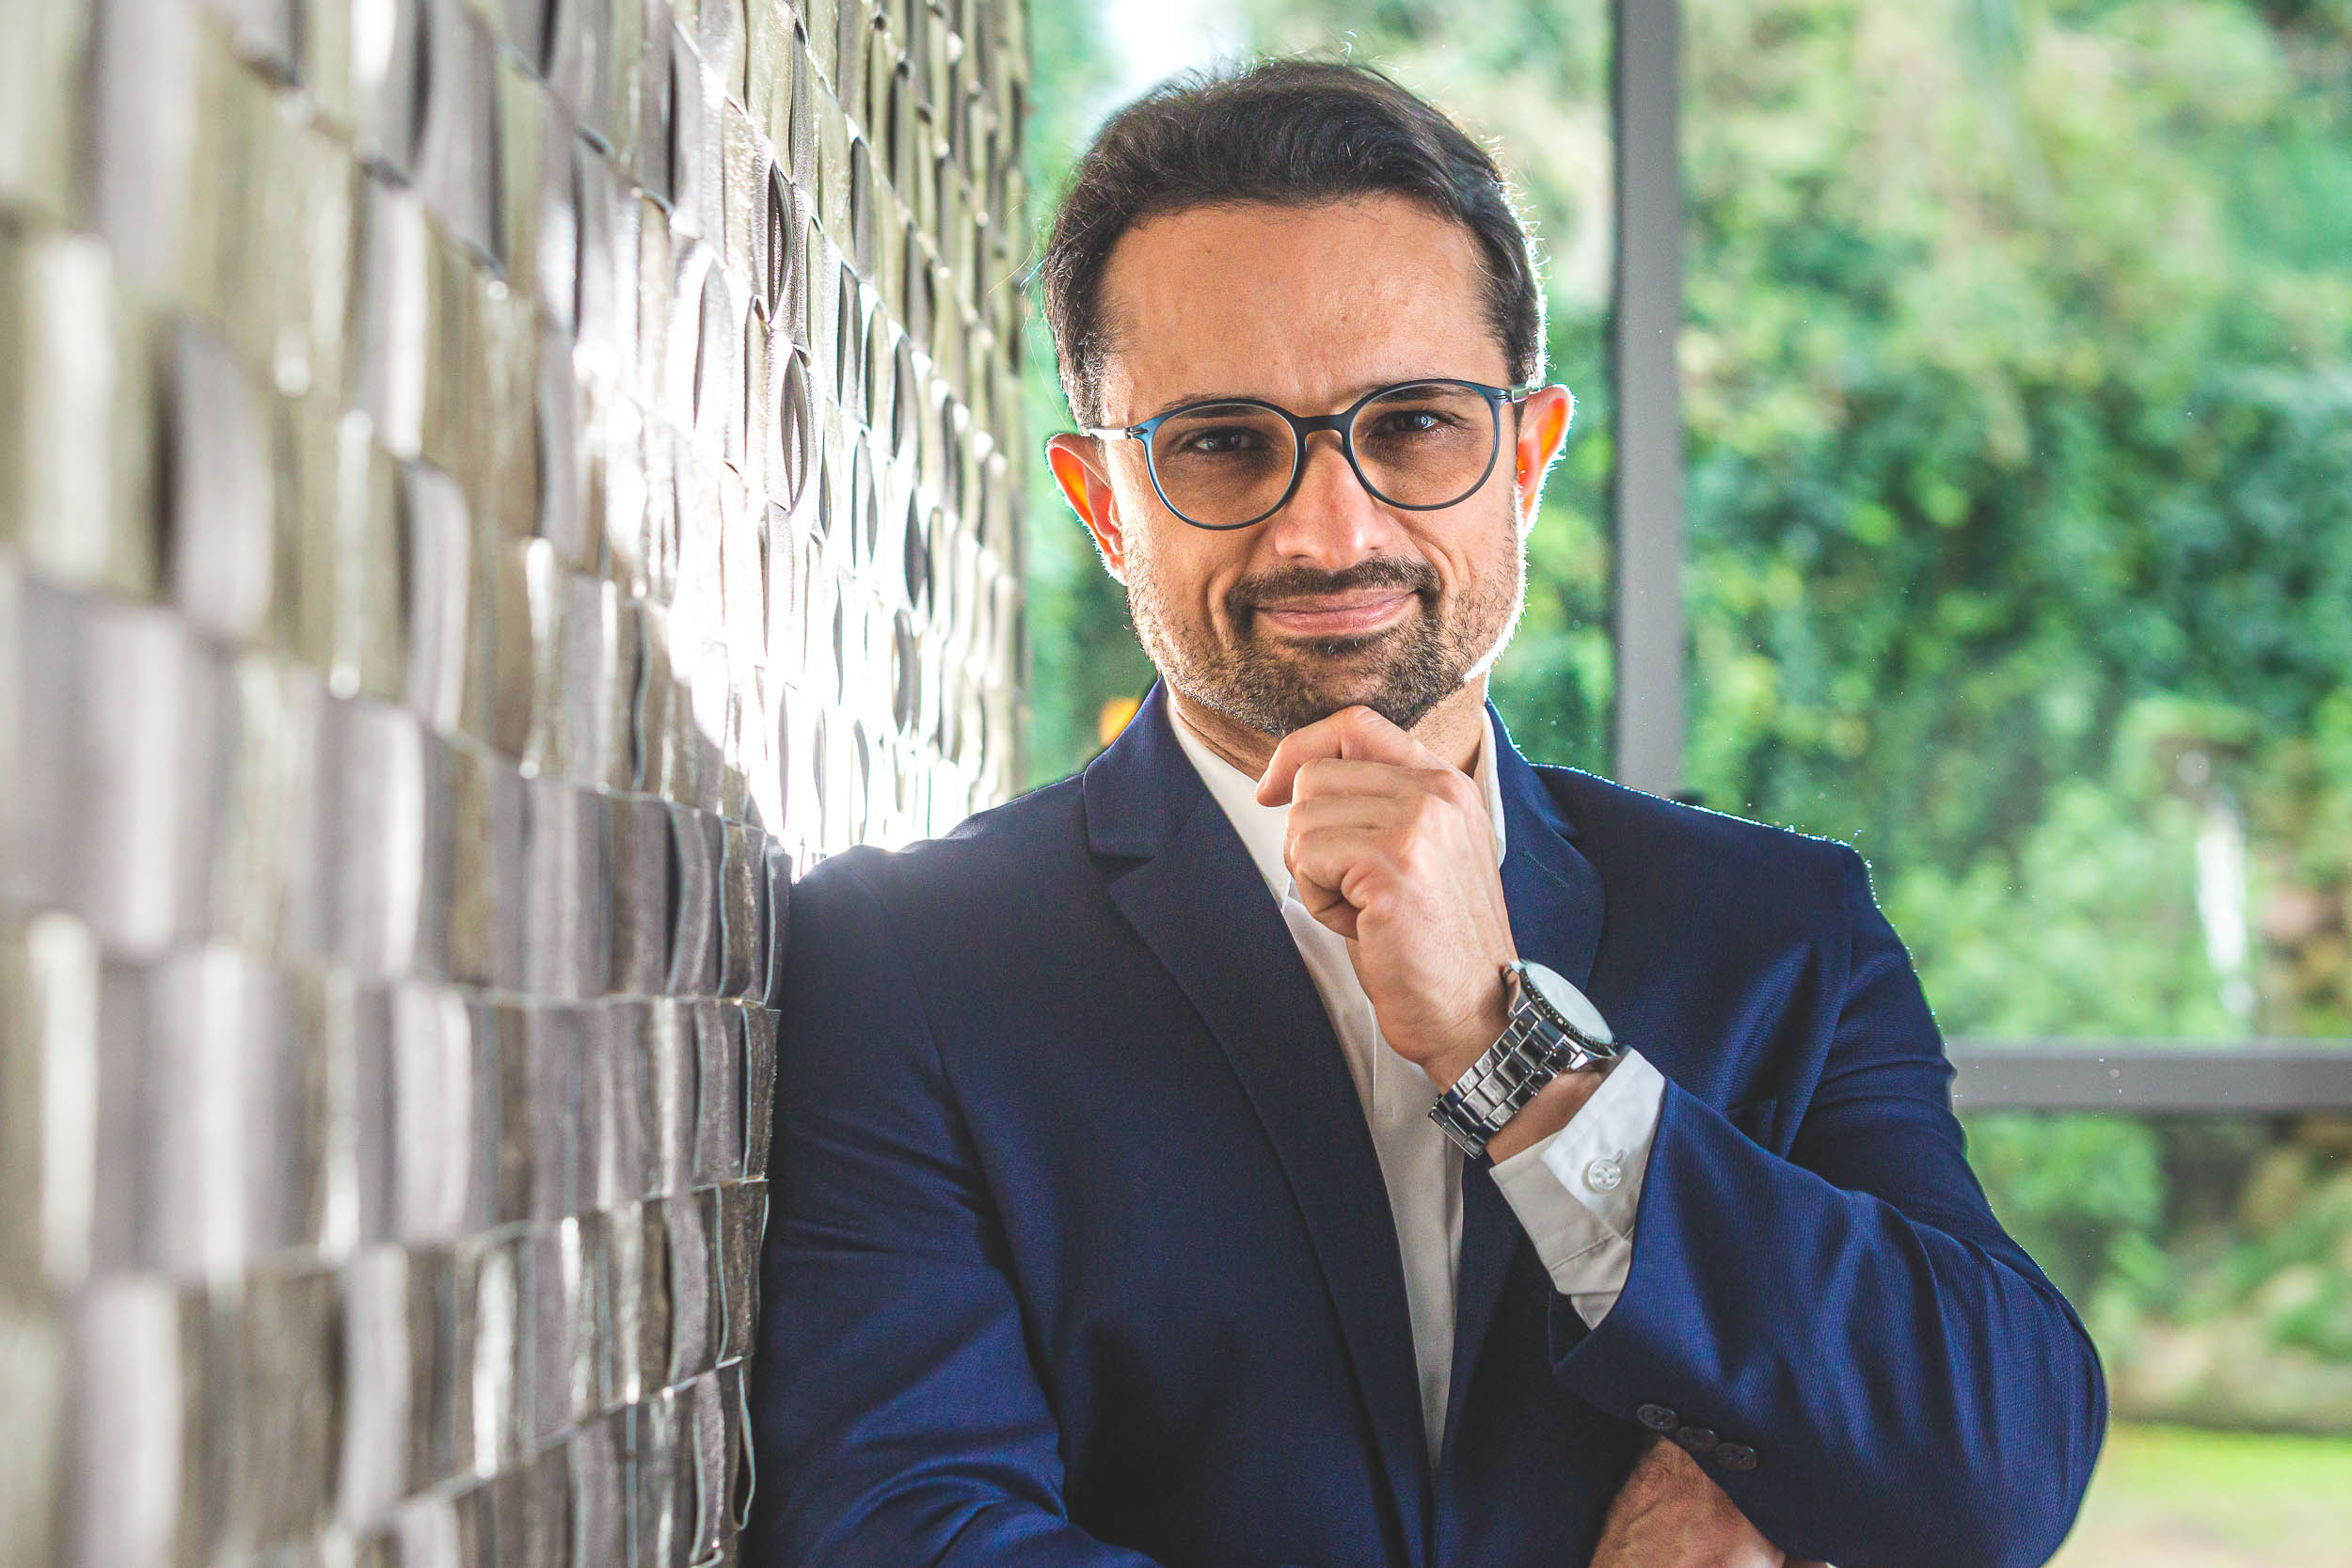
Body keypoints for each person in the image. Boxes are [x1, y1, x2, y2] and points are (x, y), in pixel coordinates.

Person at [748, 58, 2105, 1568]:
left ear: (1525, 456)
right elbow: (907, 1535)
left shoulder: (1784, 933)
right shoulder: (908, 963)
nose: (1330, 529)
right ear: (1103, 504)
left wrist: (1512, 1056)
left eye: (1411, 425)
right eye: (1220, 443)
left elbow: (1998, 1472)